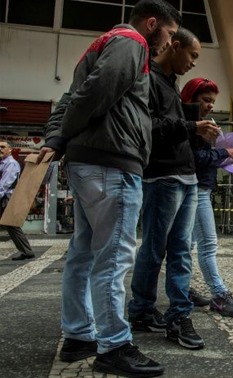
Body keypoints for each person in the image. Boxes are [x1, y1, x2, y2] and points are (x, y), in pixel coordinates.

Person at [37, 1, 180, 376]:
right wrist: (63, 136)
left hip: (91, 162)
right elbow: (92, 95)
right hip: (112, 162)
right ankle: (114, 345)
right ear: (152, 24)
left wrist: (57, 138)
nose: (169, 43)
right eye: (169, 34)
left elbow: (70, 98)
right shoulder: (131, 43)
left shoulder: (105, 43)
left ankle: (79, 335)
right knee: (113, 257)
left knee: (83, 253)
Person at [127, 28, 217, 351]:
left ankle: (176, 314)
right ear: (175, 46)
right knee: (154, 248)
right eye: (192, 55)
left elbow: (171, 129)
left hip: (186, 177)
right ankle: (141, 309)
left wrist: (198, 131)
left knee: (180, 250)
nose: (194, 63)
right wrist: (193, 127)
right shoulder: (148, 80)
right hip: (162, 177)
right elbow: (148, 128)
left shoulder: (170, 83)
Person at [179, 77, 233, 318]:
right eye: (205, 100)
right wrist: (221, 152)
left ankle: (182, 289)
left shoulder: (199, 124)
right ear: (190, 98)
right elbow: (193, 158)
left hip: (199, 188)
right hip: (196, 189)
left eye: (213, 101)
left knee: (189, 245)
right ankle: (219, 294)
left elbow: (202, 157)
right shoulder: (190, 126)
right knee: (207, 243)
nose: (210, 105)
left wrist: (224, 156)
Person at [0, 141, 35, 261]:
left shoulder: (11, 164)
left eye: (3, 147)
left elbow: (4, 184)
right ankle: (27, 251)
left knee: (12, 225)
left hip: (7, 198)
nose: (0, 149)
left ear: (10, 150)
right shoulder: (2, 163)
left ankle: (27, 251)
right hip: (4, 198)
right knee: (11, 226)